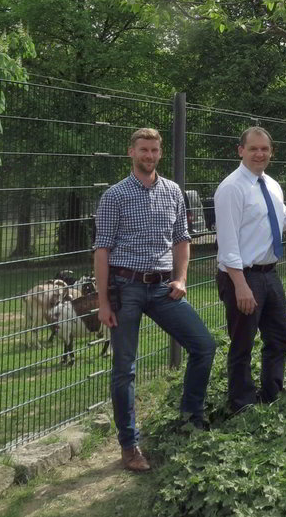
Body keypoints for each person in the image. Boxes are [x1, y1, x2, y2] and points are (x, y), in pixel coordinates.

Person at [94, 127, 216, 472]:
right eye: (143, 150)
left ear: (161, 153)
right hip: (125, 288)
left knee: (203, 346)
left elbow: (182, 238)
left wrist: (181, 278)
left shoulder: (173, 191)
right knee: (125, 369)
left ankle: (191, 418)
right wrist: (103, 301)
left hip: (164, 288)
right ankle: (130, 445)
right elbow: (102, 250)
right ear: (131, 152)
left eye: (154, 150)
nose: (149, 155)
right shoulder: (114, 196)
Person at [214, 126, 286, 412]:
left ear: (271, 152)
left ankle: (270, 396)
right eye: (253, 148)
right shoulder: (231, 188)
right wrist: (240, 285)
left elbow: (281, 221)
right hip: (243, 276)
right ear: (240, 150)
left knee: (280, 338)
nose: (259, 154)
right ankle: (241, 404)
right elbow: (228, 243)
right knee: (242, 343)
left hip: (269, 274)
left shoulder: (271, 184)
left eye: (264, 149)